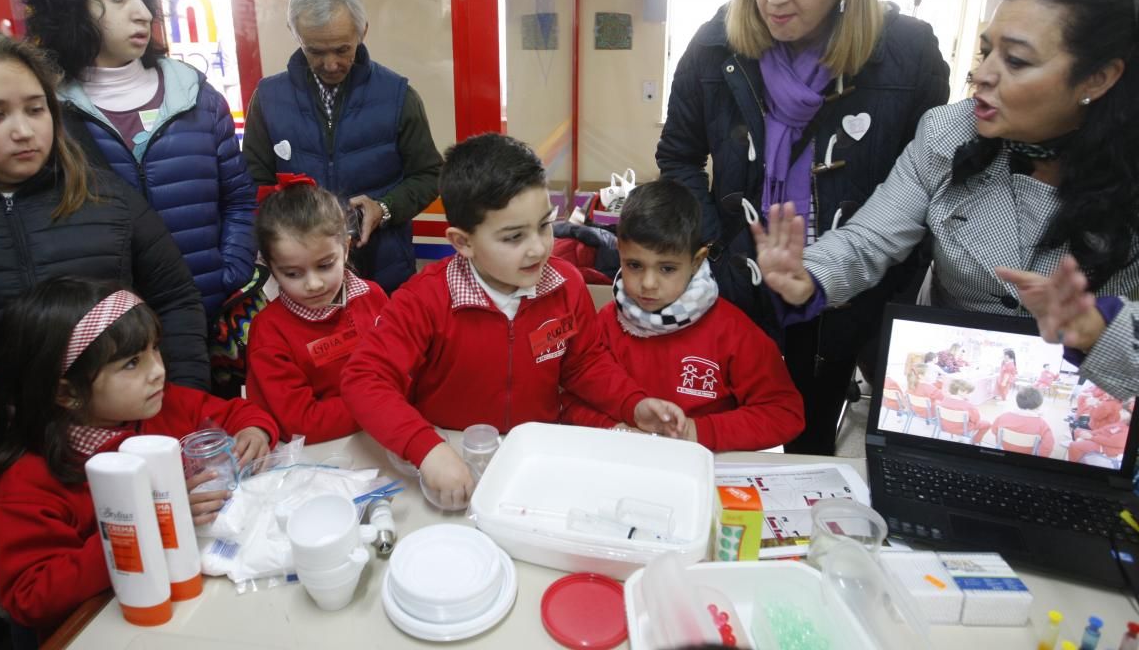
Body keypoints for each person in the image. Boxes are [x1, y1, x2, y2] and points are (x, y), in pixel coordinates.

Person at [753, 0, 1139, 404]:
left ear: (1097, 78)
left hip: (1088, 408)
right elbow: (871, 238)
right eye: (986, 50)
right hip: (951, 390)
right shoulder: (948, 133)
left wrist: (1098, 330)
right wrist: (811, 275)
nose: (982, 74)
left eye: (1015, 61)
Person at [657, 0, 950, 455]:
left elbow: (925, 188)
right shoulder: (716, 46)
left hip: (846, 301)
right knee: (724, 436)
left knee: (811, 446)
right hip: (741, 288)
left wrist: (880, 284)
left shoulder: (908, 55)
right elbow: (678, 157)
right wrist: (720, 251)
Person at [0, 21, 208, 591]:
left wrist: (174, 412)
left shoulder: (106, 197)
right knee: (26, 597)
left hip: (125, 446)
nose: (23, 131)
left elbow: (177, 299)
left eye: (36, 109)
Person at [342, 134, 688, 509]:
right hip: (453, 457)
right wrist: (427, 450)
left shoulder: (566, 284)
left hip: (536, 457)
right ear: (463, 243)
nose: (539, 247)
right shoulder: (425, 298)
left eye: (544, 225)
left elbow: (586, 364)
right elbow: (364, 379)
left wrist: (632, 404)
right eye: (513, 237)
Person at [0, 278, 276, 638]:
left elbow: (237, 413)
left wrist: (254, 432)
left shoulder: (162, 408)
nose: (158, 371)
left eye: (155, 349)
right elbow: (30, 597)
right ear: (67, 393)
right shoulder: (24, 487)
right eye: (132, 363)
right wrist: (144, 526)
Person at [23, 0, 257, 321]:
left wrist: (228, 271)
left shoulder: (194, 95)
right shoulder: (43, 111)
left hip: (206, 311)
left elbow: (238, 199)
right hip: (107, 330)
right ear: (68, 7)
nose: (144, 13)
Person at [559, 180, 804, 451]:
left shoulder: (734, 331)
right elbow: (569, 401)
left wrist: (697, 431)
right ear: (619, 252)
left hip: (704, 465)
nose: (648, 283)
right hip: (623, 459)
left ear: (697, 261)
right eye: (635, 265)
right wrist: (617, 430)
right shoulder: (604, 323)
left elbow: (785, 412)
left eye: (667, 268)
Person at [242, 0, 443, 293]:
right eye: (315, 51)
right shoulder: (269, 98)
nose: (331, 63)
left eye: (342, 49)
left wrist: (385, 208)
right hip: (301, 276)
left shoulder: (398, 96)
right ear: (295, 34)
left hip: (382, 267)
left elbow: (430, 174)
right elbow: (252, 181)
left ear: (362, 31)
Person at [246, 176, 388, 443]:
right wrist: (382, 401)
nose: (313, 284)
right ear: (271, 267)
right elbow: (303, 423)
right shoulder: (269, 332)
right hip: (317, 460)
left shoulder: (373, 296)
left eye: (325, 265)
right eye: (292, 273)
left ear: (345, 248)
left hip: (382, 436)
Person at [987, 387, 1055, 457]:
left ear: (1017, 401)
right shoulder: (1043, 425)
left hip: (1004, 450)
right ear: (1039, 404)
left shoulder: (1003, 417)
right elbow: (1048, 447)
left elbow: (994, 431)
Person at [936, 379, 990, 444]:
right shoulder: (968, 406)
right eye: (968, 392)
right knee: (987, 424)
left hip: (945, 426)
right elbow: (976, 420)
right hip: (962, 429)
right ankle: (975, 441)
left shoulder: (944, 400)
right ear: (960, 391)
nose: (969, 394)